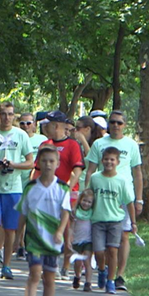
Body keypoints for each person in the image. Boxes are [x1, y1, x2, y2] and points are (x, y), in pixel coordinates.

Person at [84, 110, 143, 291]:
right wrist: (87, 194)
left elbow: (137, 173)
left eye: (119, 122)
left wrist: (139, 199)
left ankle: (119, 276)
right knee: (101, 245)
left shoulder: (131, 145)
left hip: (124, 194)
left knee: (123, 236)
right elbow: (90, 170)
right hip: (102, 194)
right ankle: (104, 269)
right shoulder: (99, 144)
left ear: (125, 125)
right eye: (113, 122)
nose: (116, 125)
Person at [16, 145, 71, 296]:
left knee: (49, 278)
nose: (48, 164)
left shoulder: (62, 188)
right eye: (44, 161)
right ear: (38, 163)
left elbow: (65, 213)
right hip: (34, 239)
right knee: (34, 274)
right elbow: (23, 214)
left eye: (51, 161)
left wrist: (61, 232)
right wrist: (18, 237)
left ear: (57, 164)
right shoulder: (30, 187)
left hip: (53, 241)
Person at [0, 102, 34, 279]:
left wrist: (14, 165)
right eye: (3, 114)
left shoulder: (21, 135)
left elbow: (30, 162)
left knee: (10, 229)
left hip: (13, 188)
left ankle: (6, 265)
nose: (7, 118)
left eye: (10, 114)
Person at [34, 110, 84, 279]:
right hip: (47, 193)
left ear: (56, 126)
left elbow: (77, 169)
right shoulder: (45, 145)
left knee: (67, 229)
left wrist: (67, 188)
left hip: (68, 193)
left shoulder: (72, 145)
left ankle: (66, 266)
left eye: (47, 124)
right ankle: (50, 264)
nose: (44, 127)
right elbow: (37, 169)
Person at [89, 147, 137, 294]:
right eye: (106, 159)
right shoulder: (95, 178)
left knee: (113, 250)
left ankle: (110, 280)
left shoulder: (121, 181)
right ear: (101, 160)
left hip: (115, 221)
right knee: (99, 251)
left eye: (112, 159)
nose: (109, 162)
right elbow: (88, 196)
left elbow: (129, 202)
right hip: (98, 220)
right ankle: (101, 269)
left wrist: (133, 222)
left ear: (117, 162)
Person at [16, 112, 47, 257]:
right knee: (21, 212)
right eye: (22, 123)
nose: (25, 126)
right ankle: (21, 244)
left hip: (36, 180)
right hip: (17, 180)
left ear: (34, 124)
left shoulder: (42, 140)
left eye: (28, 123)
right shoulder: (15, 137)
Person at [70, 188, 95, 291]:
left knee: (87, 261)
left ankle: (88, 283)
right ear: (80, 200)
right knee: (78, 263)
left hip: (88, 240)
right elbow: (71, 226)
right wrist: (70, 236)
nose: (86, 204)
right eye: (84, 200)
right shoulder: (75, 212)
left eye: (89, 202)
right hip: (77, 240)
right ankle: (77, 276)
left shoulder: (92, 213)